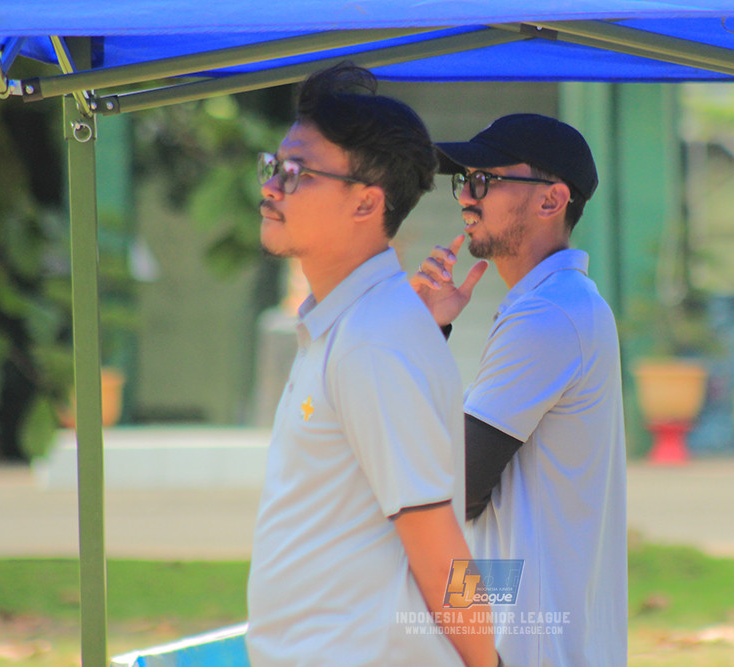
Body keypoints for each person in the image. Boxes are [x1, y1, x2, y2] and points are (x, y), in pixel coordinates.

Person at [246, 63, 500, 667]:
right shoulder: (347, 326)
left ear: (366, 203)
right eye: (273, 166)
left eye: (297, 173)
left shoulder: (373, 338)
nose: (271, 188)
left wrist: (489, 664)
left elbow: (437, 544)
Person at [412, 113, 627, 666]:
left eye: (485, 180)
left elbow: (450, 490)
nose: (467, 197)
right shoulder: (559, 304)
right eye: (465, 180)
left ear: (551, 200)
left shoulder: (547, 314)